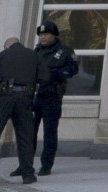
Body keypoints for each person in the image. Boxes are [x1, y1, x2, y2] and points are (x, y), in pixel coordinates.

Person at [0, 36, 41, 186]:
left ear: (6, 46)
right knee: (25, 137)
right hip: (24, 98)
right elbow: (44, 76)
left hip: (3, 99)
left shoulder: (0, 56)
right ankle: (28, 175)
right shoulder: (34, 56)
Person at [30, 20, 81, 176]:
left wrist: (55, 75)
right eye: (40, 35)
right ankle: (25, 164)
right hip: (34, 96)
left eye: (46, 34)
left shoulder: (64, 51)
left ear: (54, 35)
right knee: (28, 132)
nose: (42, 37)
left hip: (51, 96)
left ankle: (46, 165)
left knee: (49, 133)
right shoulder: (36, 51)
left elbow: (73, 69)